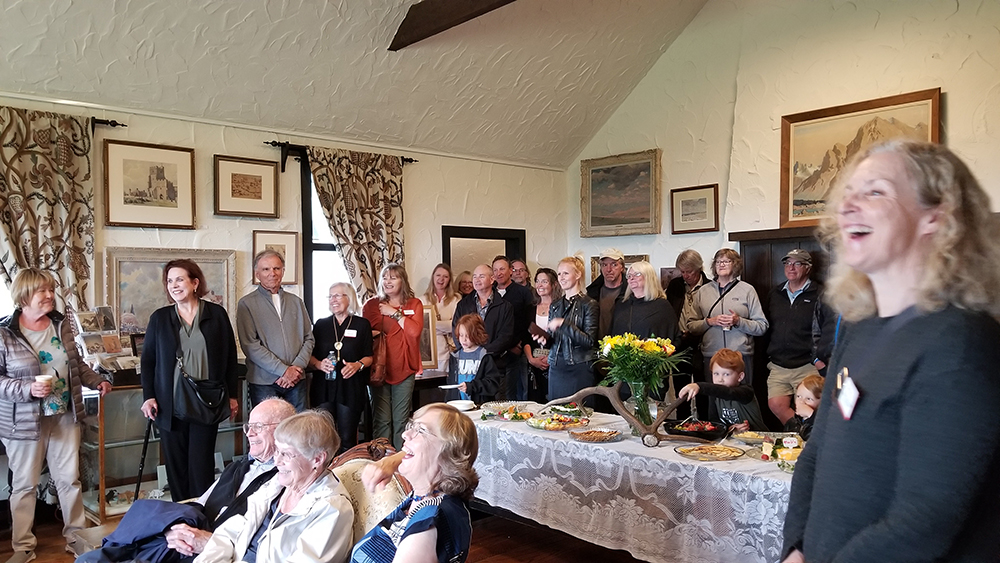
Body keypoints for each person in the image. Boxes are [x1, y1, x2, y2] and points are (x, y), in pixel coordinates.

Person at [782, 140, 1000, 563]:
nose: (846, 206)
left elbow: (925, 519)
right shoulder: (861, 328)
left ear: (935, 216)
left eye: (875, 191)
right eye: (848, 193)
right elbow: (815, 457)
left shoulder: (961, 341)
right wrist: (796, 548)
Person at [78, 399, 297, 563]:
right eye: (248, 427)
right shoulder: (239, 466)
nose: (249, 434)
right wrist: (171, 528)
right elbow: (199, 503)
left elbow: (260, 546)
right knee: (90, 560)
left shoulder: (287, 481)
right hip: (182, 536)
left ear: (284, 430)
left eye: (258, 427)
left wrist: (209, 541)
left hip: (207, 550)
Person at [0, 268, 112, 562]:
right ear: (24, 296)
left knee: (69, 480)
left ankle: (77, 538)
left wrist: (96, 379)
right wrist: (27, 389)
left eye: (51, 289)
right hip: (23, 422)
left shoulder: (61, 326)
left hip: (64, 415)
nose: (50, 296)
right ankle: (23, 546)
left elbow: (75, 365)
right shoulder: (4, 332)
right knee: (24, 485)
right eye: (42, 291)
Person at [194, 410, 355, 563]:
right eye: (277, 451)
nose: (277, 461)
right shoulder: (277, 486)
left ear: (317, 459)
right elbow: (233, 531)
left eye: (286, 454)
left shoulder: (332, 509)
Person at [141, 259, 239, 502]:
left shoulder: (216, 314)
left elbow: (229, 357)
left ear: (195, 283)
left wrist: (233, 396)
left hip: (207, 402)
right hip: (169, 404)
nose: (174, 285)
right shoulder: (160, 318)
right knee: (176, 469)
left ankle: (201, 516)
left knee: (201, 466)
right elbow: (148, 361)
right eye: (169, 281)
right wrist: (148, 397)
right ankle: (181, 517)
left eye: (179, 279)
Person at [352, 403, 478, 563]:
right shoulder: (430, 497)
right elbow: (422, 456)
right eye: (411, 425)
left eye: (421, 430)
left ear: (448, 451)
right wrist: (389, 462)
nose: (405, 434)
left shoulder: (428, 524)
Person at [237, 250, 315, 410]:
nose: (272, 273)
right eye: (266, 269)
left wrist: (296, 369)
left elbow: (309, 338)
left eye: (277, 268)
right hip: (264, 382)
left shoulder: (296, 302)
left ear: (283, 271)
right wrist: (283, 371)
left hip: (297, 380)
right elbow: (250, 345)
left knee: (298, 431)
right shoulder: (247, 304)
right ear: (257, 274)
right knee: (267, 430)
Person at [765, 249, 835, 424]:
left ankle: (806, 439)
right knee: (776, 404)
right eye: (788, 263)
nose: (791, 267)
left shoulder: (821, 294)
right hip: (779, 363)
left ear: (808, 268)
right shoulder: (775, 293)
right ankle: (799, 433)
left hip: (807, 363)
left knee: (809, 406)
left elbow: (830, 328)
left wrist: (819, 358)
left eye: (797, 263)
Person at [681, 248, 768, 387]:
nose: (721, 264)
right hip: (712, 356)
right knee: (714, 401)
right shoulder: (703, 291)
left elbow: (762, 326)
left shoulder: (747, 290)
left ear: (736, 265)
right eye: (718, 261)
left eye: (726, 261)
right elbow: (691, 326)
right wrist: (709, 322)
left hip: (740, 356)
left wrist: (738, 321)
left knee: (740, 400)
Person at [362, 264, 423, 450]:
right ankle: (382, 461)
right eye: (385, 278)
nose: (388, 282)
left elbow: (414, 332)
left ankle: (400, 464)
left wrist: (394, 314)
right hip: (378, 370)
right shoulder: (371, 305)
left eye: (393, 277)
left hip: (405, 369)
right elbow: (365, 334)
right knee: (381, 421)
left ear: (402, 281)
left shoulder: (415, 304)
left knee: (400, 420)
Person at [309, 283, 373, 453]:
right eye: (330, 296)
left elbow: (369, 357)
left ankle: (345, 474)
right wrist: (319, 364)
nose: (333, 300)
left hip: (350, 387)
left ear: (349, 298)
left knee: (347, 437)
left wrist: (357, 365)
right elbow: (309, 356)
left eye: (337, 296)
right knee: (323, 437)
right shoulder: (321, 325)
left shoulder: (362, 324)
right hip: (324, 387)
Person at [609, 260, 681, 402]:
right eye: (629, 276)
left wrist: (658, 352)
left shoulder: (662, 306)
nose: (631, 278)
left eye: (636, 274)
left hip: (651, 377)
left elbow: (675, 339)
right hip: (623, 378)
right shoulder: (621, 305)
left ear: (648, 277)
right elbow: (612, 336)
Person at [536, 257, 598, 404]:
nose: (561, 278)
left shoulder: (589, 304)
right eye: (559, 274)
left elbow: (589, 341)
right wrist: (545, 339)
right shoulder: (555, 305)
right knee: (556, 413)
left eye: (565, 273)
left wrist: (564, 324)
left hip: (579, 367)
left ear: (577, 275)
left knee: (580, 414)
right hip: (556, 367)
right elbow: (554, 340)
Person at [452, 264, 515, 393]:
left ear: (492, 279)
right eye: (474, 277)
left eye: (481, 276)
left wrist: (483, 353)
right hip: (467, 366)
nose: (476, 280)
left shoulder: (505, 306)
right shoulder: (463, 304)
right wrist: (468, 352)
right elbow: (456, 330)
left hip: (494, 365)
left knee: (493, 409)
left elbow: (506, 336)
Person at [665, 250, 710, 418]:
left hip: (701, 343)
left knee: (701, 387)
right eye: (682, 271)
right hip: (680, 343)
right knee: (680, 389)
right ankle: (681, 424)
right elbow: (670, 312)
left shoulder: (709, 286)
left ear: (699, 268)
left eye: (689, 271)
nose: (685, 276)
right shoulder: (675, 285)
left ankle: (703, 424)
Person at [677, 348, 766, 432]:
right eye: (716, 374)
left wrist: (699, 386)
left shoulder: (746, 391)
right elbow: (714, 421)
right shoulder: (714, 395)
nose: (720, 379)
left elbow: (729, 393)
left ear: (740, 377)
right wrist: (729, 428)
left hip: (759, 439)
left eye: (726, 374)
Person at [492, 255, 533, 401]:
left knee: (516, 395)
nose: (499, 273)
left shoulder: (523, 292)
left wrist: (520, 344)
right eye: (495, 270)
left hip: (516, 351)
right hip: (493, 353)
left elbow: (529, 321)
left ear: (510, 270)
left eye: (502, 269)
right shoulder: (489, 293)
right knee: (496, 396)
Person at [524, 268, 561, 403]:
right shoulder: (529, 309)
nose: (539, 285)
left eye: (544, 281)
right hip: (534, 363)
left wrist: (551, 357)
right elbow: (525, 338)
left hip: (555, 362)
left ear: (554, 284)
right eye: (537, 281)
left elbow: (562, 337)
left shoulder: (561, 307)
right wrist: (531, 359)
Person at [448, 314, 500, 404]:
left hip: (480, 405)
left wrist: (472, 387)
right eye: (461, 335)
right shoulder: (454, 356)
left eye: (467, 336)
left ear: (477, 334)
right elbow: (451, 384)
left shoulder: (485, 356)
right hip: (458, 406)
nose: (463, 340)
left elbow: (493, 384)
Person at [421, 264, 459, 372]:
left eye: (445, 277)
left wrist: (433, 326)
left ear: (449, 280)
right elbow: (422, 327)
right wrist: (445, 326)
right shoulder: (421, 300)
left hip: (449, 353)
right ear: (433, 277)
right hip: (427, 355)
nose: (441, 279)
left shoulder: (456, 300)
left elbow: (456, 325)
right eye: (438, 275)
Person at [585, 248, 627, 340]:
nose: (608, 269)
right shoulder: (591, 293)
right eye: (604, 265)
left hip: (621, 348)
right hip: (596, 347)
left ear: (622, 268)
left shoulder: (630, 292)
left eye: (614, 265)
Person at [782, 374, 822, 441]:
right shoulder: (792, 422)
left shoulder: (825, 422)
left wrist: (811, 415)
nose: (801, 402)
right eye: (798, 396)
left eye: (809, 399)